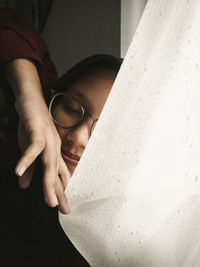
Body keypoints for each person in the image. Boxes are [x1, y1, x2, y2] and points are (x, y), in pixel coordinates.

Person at [0, 8, 122, 266]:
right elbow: (9, 23)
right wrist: (30, 98)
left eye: (104, 130)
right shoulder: (28, 129)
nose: (78, 137)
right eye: (70, 109)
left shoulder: (118, 236)